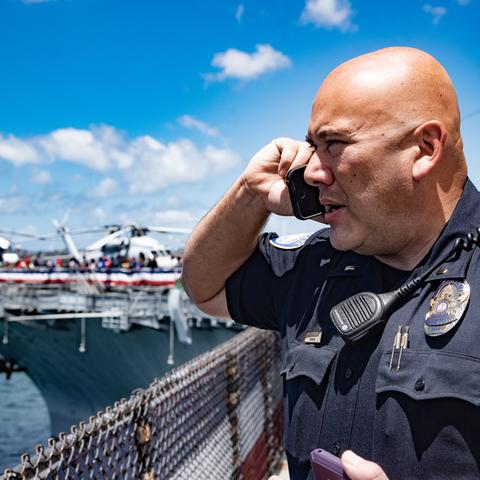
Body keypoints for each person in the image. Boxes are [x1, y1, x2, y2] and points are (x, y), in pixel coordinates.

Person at [182, 47, 480, 479]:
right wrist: (250, 193)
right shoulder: (319, 265)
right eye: (311, 148)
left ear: (424, 148)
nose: (313, 172)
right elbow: (204, 287)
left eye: (334, 144)